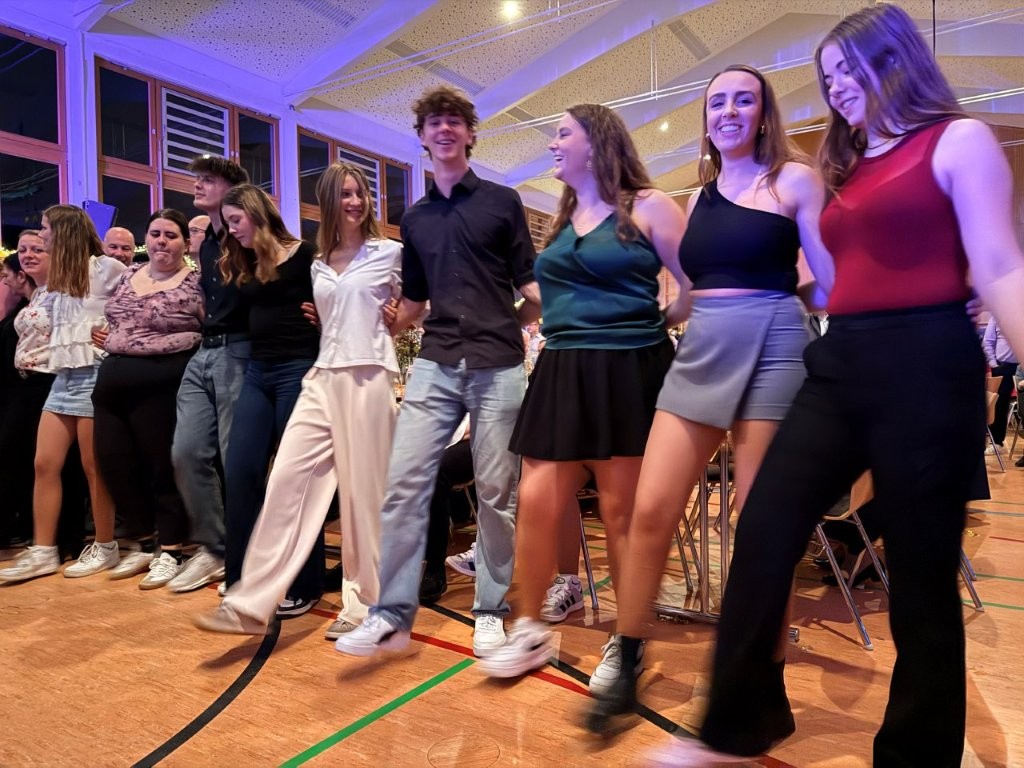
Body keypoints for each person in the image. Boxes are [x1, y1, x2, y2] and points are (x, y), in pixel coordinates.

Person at [645, 6, 1024, 765]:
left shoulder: (958, 139)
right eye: (828, 77)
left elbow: (999, 263)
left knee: (920, 577)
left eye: (851, 69)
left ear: (896, 59)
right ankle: (738, 724)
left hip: (927, 361)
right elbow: (831, 277)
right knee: (764, 523)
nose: (839, 86)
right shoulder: (844, 169)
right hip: (843, 357)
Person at [581, 64, 831, 724]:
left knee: (761, 526)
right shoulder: (698, 198)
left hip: (776, 342)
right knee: (651, 509)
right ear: (707, 118)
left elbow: (828, 280)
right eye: (718, 102)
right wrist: (641, 320)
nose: (729, 111)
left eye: (744, 100)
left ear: (764, 113)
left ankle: (762, 679)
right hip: (703, 345)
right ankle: (627, 652)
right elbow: (690, 293)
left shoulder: (794, 180)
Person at [477, 103, 688, 681]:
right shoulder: (564, 220)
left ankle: (629, 640)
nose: (551, 143)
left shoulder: (648, 206)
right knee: (536, 500)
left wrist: (652, 325)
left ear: (595, 142)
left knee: (621, 512)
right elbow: (545, 299)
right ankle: (529, 629)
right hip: (561, 365)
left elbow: (694, 285)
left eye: (561, 132)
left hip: (627, 366)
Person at [334, 85, 540, 658]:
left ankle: (491, 609)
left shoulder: (503, 201)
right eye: (434, 122)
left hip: (499, 364)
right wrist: (380, 323)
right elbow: (416, 301)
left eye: (454, 120)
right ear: (422, 137)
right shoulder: (415, 219)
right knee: (403, 483)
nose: (444, 129)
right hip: (437, 360)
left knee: (496, 492)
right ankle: (390, 614)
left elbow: (529, 282)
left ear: (470, 133)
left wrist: (532, 318)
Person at [193, 161, 401, 637]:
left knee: (362, 497)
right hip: (321, 374)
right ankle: (251, 601)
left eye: (360, 192)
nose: (355, 201)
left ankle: (368, 606)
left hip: (368, 374)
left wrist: (400, 318)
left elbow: (418, 305)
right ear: (327, 202)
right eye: (344, 194)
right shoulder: (320, 261)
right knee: (286, 480)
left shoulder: (390, 252)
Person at [0, 206, 126, 583]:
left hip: (94, 372)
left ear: (64, 230)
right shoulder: (56, 278)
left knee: (92, 467)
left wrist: (114, 333)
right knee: (44, 463)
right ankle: (43, 550)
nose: (41, 235)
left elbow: (132, 306)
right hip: (63, 376)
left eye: (45, 228)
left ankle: (105, 545)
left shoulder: (106, 268)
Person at [218, 184, 323, 617]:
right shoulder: (245, 261)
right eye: (226, 223)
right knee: (240, 470)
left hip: (298, 370)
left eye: (235, 220)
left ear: (256, 213)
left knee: (293, 478)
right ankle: (240, 580)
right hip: (258, 373)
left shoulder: (305, 254)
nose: (231, 230)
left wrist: (325, 318)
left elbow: (334, 304)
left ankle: (306, 581)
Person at [92, 209, 202, 589]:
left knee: (160, 467)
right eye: (155, 234)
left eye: (171, 235)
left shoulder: (194, 283)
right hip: (112, 380)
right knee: (114, 463)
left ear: (185, 243)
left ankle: (171, 549)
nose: (161, 242)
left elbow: (212, 327)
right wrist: (105, 334)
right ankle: (143, 539)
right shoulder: (129, 274)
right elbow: (117, 320)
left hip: (162, 382)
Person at [163, 156, 249, 593]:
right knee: (186, 451)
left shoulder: (247, 238)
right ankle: (216, 548)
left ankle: (242, 555)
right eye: (197, 179)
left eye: (208, 180)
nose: (197, 185)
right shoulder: (209, 244)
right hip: (205, 350)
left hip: (239, 350)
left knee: (237, 459)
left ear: (232, 190)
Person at [983, 316, 1018, 450]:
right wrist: (994, 364)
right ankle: (997, 441)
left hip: (1021, 367)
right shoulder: (996, 317)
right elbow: (988, 342)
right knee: (999, 404)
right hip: (1003, 366)